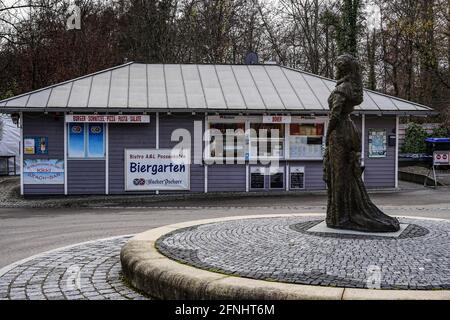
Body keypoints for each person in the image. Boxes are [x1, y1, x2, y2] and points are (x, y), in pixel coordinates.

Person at [323, 54, 400, 232]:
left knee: (339, 176)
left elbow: (335, 114)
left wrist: (327, 135)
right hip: (350, 129)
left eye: (337, 67)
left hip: (340, 132)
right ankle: (343, 213)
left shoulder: (342, 89)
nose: (336, 70)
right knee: (347, 175)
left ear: (342, 69)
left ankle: (340, 216)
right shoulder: (352, 87)